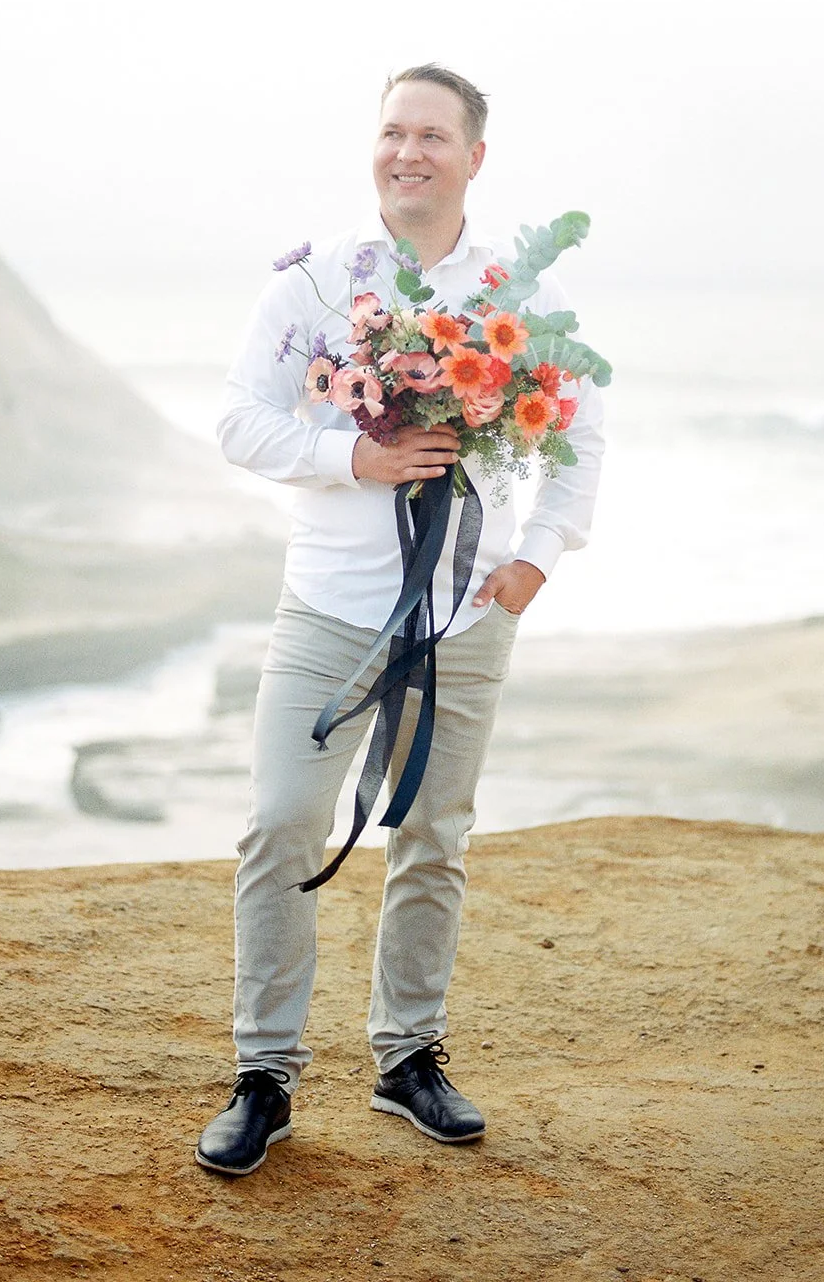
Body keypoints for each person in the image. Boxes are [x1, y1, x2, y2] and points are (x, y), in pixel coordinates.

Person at [197, 64, 605, 1175]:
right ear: (372, 149)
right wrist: (353, 457)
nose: (406, 151)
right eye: (391, 132)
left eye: (432, 134)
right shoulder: (317, 286)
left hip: (467, 617)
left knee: (433, 835)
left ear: (474, 155)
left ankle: (405, 1058)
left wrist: (532, 562)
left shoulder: (520, 298)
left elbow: (581, 433)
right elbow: (237, 420)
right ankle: (263, 1075)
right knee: (281, 822)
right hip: (327, 609)